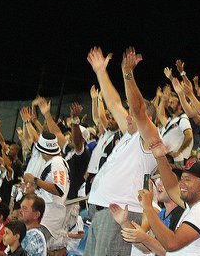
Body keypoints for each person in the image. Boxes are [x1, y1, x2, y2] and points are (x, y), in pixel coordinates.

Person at [84, 47, 160, 256]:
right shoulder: (129, 134)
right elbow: (113, 102)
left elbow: (138, 109)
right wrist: (101, 72)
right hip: (102, 212)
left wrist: (128, 74)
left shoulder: (149, 139)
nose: (127, 115)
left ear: (147, 119)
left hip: (121, 214)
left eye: (132, 113)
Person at [121, 161, 200, 256]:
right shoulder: (194, 207)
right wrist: (160, 156)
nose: (181, 184)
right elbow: (171, 187)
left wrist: (148, 207)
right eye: (181, 179)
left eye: (187, 179)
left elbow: (171, 244)